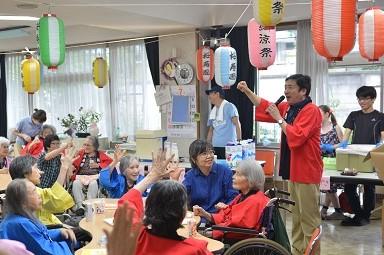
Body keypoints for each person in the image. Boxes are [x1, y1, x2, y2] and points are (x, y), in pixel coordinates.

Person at [237, 74, 322, 255]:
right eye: (285, 86)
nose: (286, 91)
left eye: (290, 87)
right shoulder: (290, 108)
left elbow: (297, 137)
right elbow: (265, 105)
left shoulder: (311, 110)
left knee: (309, 220)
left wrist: (279, 118)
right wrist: (247, 91)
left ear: (303, 91)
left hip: (307, 171)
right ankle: (298, 252)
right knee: (297, 218)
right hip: (293, 171)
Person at [118, 150, 211, 255]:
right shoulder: (196, 250)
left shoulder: (137, 238)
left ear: (147, 208)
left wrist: (150, 177)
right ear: (184, 212)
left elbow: (125, 203)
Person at [339, 86, 384, 226]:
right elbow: (346, 135)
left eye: (365, 98)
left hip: (370, 156)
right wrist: (343, 144)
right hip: (354, 156)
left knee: (368, 187)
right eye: (359, 99)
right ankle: (359, 214)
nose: (361, 101)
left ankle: (366, 215)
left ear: (373, 99)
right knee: (349, 187)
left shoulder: (380, 117)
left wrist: (380, 146)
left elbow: (383, 137)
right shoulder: (354, 115)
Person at [193, 160, 269, 241]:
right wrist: (205, 214)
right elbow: (227, 215)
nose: (233, 176)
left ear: (250, 179)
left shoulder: (255, 201)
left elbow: (235, 227)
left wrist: (208, 234)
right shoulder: (242, 196)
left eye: (238, 174)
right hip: (229, 233)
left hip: (237, 241)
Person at [0, 179, 75, 254]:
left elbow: (40, 235)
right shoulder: (22, 224)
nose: (39, 196)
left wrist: (59, 232)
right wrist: (66, 245)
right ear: (22, 202)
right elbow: (48, 252)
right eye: (34, 192)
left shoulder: (19, 217)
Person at [8, 155, 74, 225]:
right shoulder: (30, 193)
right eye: (36, 168)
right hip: (48, 229)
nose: (41, 172)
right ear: (26, 173)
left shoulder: (18, 190)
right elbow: (55, 198)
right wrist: (64, 167)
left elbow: (52, 195)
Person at [183, 139, 238, 214]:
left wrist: (226, 206)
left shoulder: (225, 171)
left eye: (211, 152)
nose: (209, 156)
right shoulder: (190, 176)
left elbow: (234, 197)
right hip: (199, 217)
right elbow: (182, 197)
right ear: (194, 159)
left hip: (221, 217)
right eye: (204, 153)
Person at [71, 136, 112, 213]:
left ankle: (89, 205)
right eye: (84, 145)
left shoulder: (100, 154)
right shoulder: (80, 153)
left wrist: (99, 165)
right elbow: (73, 162)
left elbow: (110, 162)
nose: (85, 147)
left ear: (94, 147)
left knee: (93, 184)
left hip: (94, 178)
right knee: (76, 183)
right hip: (81, 177)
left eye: (88, 145)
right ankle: (80, 206)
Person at [319, 105, 344, 220]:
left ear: (327, 114)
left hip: (333, 160)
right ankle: (324, 209)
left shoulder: (335, 127)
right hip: (321, 161)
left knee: (330, 187)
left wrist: (331, 147)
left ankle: (338, 211)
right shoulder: (316, 127)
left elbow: (344, 144)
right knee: (328, 186)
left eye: (320, 113)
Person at [206, 86, 241, 159]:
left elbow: (237, 124)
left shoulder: (229, 106)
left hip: (229, 147)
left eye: (211, 93)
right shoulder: (213, 111)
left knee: (228, 168)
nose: (209, 96)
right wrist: (207, 145)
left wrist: (239, 142)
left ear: (217, 94)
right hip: (215, 146)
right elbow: (211, 130)